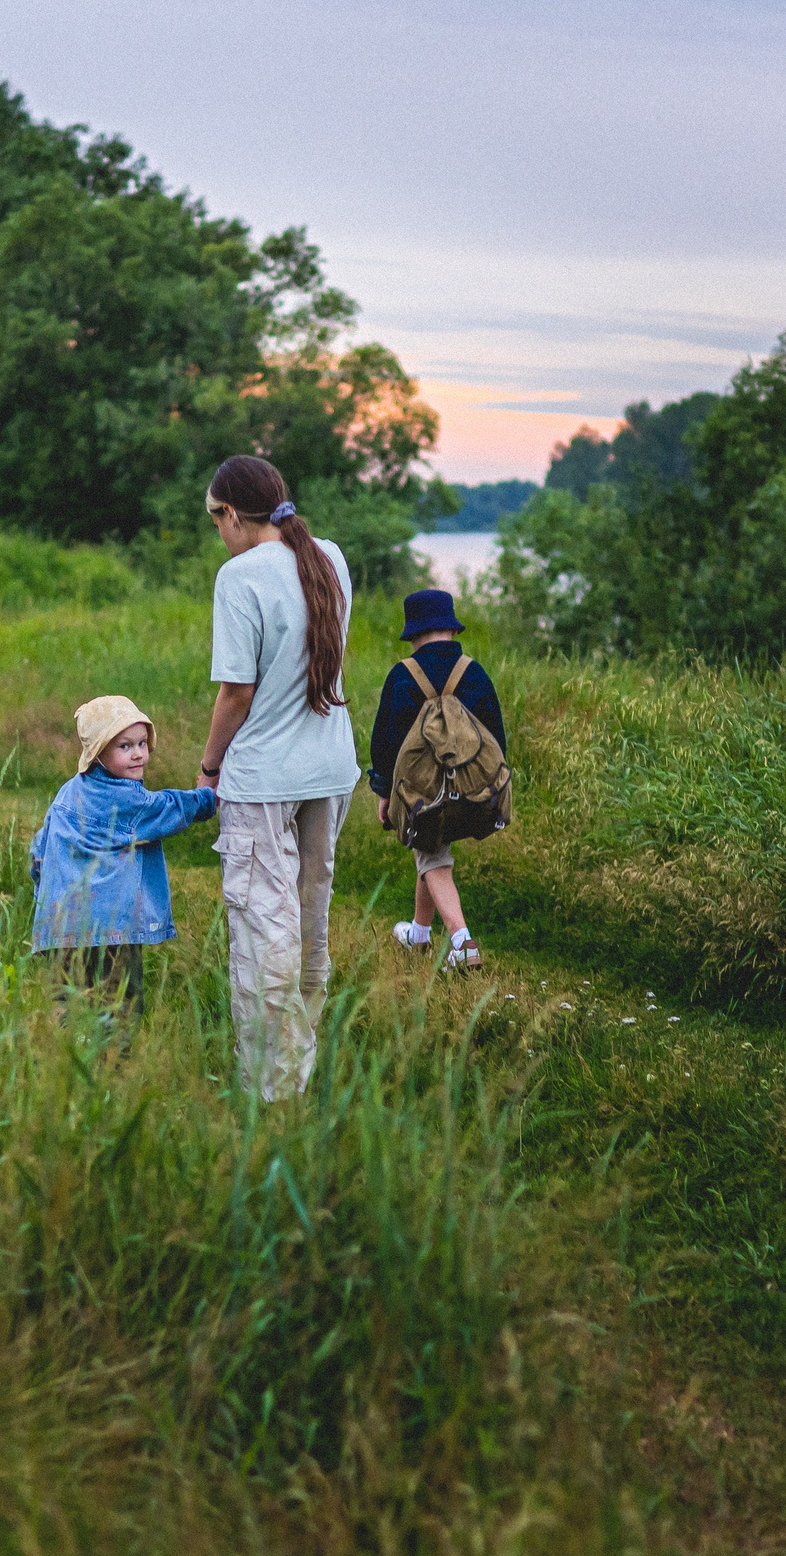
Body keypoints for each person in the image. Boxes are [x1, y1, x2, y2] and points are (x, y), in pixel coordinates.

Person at [193, 455, 361, 1100]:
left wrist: (209, 768)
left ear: (232, 514)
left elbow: (236, 691)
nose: (218, 531)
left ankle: (272, 1092)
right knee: (310, 924)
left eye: (215, 518)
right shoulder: (329, 557)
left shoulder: (239, 576)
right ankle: (300, 1072)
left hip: (264, 777)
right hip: (330, 770)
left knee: (266, 932)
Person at [28, 696, 218, 1017]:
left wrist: (45, 891)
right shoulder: (128, 800)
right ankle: (113, 1048)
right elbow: (168, 808)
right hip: (110, 930)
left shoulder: (67, 792)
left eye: (142, 743)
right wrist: (207, 797)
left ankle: (64, 1047)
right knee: (117, 1007)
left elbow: (39, 851)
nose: (138, 754)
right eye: (124, 746)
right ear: (98, 753)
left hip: (61, 926)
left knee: (66, 1004)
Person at [367, 587, 505, 972]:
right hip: (472, 789)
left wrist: (384, 792)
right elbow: (496, 736)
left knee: (432, 856)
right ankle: (419, 934)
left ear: (412, 634)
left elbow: (385, 743)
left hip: (420, 792)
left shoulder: (403, 675)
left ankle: (462, 943)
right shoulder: (474, 673)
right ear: (453, 629)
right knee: (430, 848)